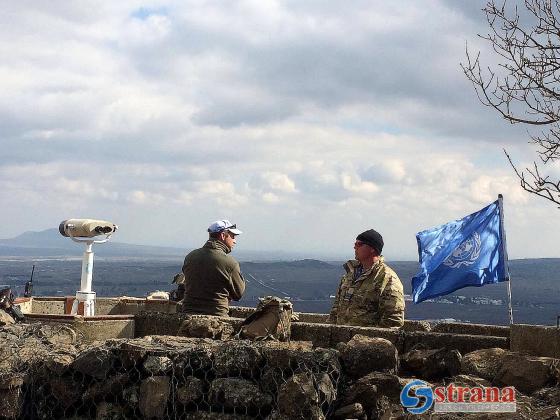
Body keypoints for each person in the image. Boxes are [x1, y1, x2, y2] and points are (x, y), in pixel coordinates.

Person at [328, 229, 405, 328]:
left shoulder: (387, 278)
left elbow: (393, 321)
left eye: (359, 244)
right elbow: (335, 310)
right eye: (355, 244)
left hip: (366, 341)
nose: (355, 247)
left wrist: (367, 341)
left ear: (372, 248)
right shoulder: (350, 275)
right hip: (340, 340)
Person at [181, 220, 245, 316]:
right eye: (232, 236)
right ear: (223, 235)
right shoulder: (230, 262)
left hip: (188, 314)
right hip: (216, 317)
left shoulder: (190, 256)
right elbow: (238, 294)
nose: (234, 241)